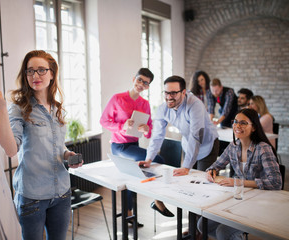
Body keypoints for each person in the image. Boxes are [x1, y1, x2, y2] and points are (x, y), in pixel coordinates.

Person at [0, 50, 83, 240]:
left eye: (41, 70)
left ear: (52, 73)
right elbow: (11, 149)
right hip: (32, 196)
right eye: (30, 71)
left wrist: (67, 154)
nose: (35, 75)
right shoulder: (19, 107)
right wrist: (0, 110)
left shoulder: (57, 107)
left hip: (61, 193)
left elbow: (57, 146)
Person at [139, 75, 219, 217]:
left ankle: (202, 228)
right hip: (188, 145)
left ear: (183, 92)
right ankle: (192, 225)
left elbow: (196, 136)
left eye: (174, 93)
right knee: (188, 185)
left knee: (204, 188)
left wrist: (187, 166)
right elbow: (157, 135)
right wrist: (149, 159)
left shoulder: (195, 105)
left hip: (207, 145)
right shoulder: (163, 108)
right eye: (166, 93)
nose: (169, 97)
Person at [197, 108, 282, 240]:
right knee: (203, 225)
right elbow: (215, 165)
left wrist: (238, 182)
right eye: (235, 122)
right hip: (238, 199)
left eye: (243, 123)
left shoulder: (263, 148)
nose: (237, 125)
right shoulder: (233, 146)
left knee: (223, 233)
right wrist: (211, 171)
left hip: (258, 202)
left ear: (253, 127)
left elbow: (276, 182)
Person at [100, 68, 165, 225]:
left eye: (146, 83)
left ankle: (128, 215)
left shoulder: (145, 104)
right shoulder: (117, 98)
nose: (141, 84)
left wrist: (146, 129)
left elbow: (149, 131)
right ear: (133, 78)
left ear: (148, 86)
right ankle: (158, 198)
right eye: (140, 80)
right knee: (157, 159)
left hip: (134, 145)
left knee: (131, 177)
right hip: (119, 147)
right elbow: (104, 121)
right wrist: (122, 126)